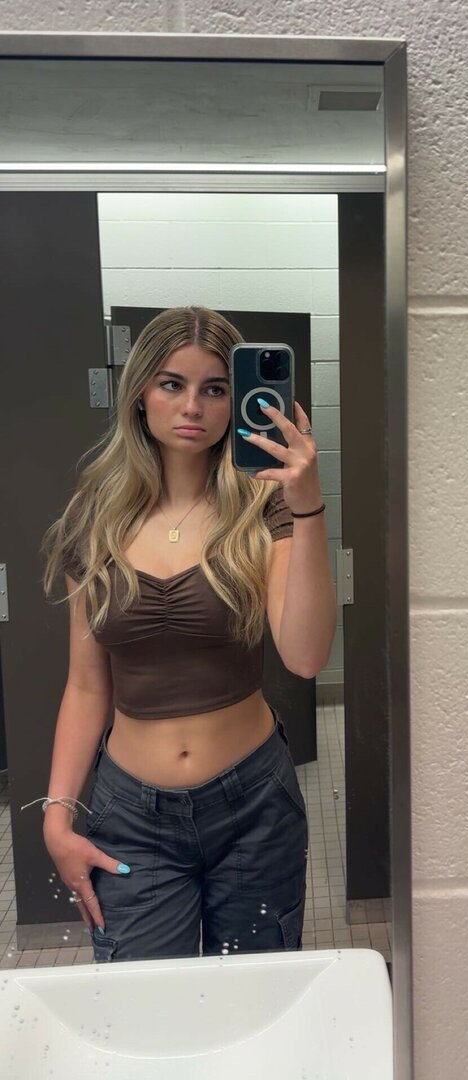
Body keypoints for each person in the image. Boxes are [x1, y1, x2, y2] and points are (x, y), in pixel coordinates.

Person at [36, 306, 337, 963]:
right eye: (172, 384)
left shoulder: (265, 508)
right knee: (144, 1004)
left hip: (253, 805)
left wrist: (309, 505)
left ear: (236, 401)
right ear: (141, 393)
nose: (192, 405)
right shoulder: (97, 516)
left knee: (255, 999)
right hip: (130, 813)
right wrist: (57, 815)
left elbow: (305, 656)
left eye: (215, 388)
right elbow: (86, 686)